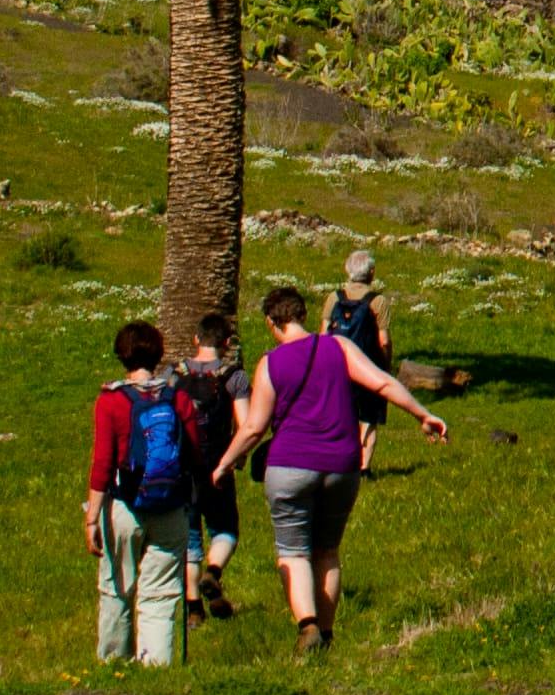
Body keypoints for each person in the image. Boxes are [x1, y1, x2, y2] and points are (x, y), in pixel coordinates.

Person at [220, 282, 448, 657]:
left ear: (270, 323)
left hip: (290, 465)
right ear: (304, 316)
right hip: (342, 465)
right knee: (327, 551)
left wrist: (224, 464)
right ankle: (326, 635)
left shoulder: (270, 364)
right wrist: (423, 414)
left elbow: (253, 428)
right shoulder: (338, 347)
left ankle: (306, 625)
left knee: (293, 552)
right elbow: (382, 382)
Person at [84, 318, 207, 667]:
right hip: (170, 505)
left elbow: (102, 463)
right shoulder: (177, 398)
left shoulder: (110, 401)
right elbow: (194, 452)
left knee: (116, 587)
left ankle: (115, 665)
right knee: (162, 591)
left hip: (124, 505)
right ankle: (158, 666)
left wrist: (92, 516)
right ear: (158, 354)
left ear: (121, 355)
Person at [176, 312, 245, 622]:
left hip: (182, 467)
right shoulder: (234, 376)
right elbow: (245, 426)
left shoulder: (173, 375)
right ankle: (213, 571)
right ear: (227, 343)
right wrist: (236, 459)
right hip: (218, 465)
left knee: (190, 538)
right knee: (225, 529)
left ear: (195, 339)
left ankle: (193, 610)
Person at [326, 251, 394, 465]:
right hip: (368, 367)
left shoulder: (334, 297)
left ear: (347, 270)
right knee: (369, 419)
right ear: (371, 272)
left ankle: (341, 459)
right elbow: (384, 340)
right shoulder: (378, 301)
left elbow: (323, 334)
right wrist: (385, 364)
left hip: (338, 365)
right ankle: (364, 467)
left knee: (341, 415)